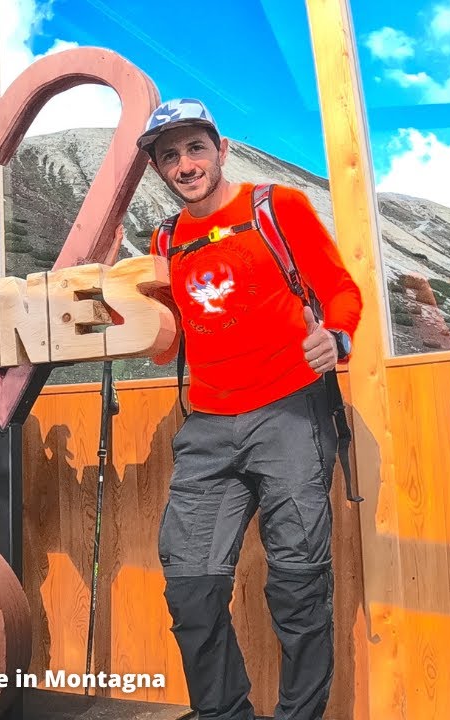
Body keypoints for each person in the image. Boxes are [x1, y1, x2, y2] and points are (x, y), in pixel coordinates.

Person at [138, 99, 363, 720]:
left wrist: (336, 336)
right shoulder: (164, 239)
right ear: (158, 167)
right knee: (190, 584)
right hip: (208, 424)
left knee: (298, 584)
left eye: (194, 149)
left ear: (220, 149)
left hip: (290, 412)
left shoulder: (277, 208)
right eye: (169, 155)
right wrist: (124, 321)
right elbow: (168, 343)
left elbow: (341, 289)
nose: (184, 165)